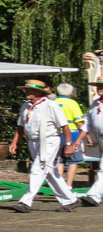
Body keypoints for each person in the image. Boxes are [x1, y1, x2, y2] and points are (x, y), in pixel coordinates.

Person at [8, 78, 79, 212]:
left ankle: (26, 202)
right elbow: (20, 126)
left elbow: (65, 126)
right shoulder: (26, 106)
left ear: (39, 92)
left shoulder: (50, 105)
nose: (26, 92)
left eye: (30, 90)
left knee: (38, 168)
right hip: (33, 141)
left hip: (49, 141)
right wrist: (14, 141)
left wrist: (68, 144)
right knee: (49, 172)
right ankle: (70, 200)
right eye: (26, 90)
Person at [54, 83, 86, 189]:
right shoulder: (72, 103)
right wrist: (87, 134)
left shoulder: (53, 102)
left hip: (56, 134)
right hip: (72, 134)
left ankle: (59, 185)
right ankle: (68, 185)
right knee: (74, 160)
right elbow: (79, 122)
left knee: (60, 160)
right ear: (71, 93)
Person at [79, 80, 103, 206]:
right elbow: (87, 124)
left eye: (102, 86)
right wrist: (78, 141)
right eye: (98, 86)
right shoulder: (95, 104)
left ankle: (93, 195)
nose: (99, 88)